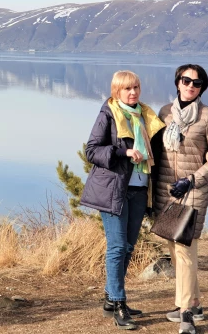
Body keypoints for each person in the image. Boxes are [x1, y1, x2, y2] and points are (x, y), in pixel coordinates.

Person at [80, 70, 166, 331]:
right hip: (113, 190)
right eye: (127, 89)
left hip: (140, 189)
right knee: (117, 247)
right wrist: (124, 151)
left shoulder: (146, 115)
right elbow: (92, 150)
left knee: (128, 247)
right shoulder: (109, 113)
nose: (133, 92)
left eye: (136, 87)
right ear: (116, 91)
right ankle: (118, 302)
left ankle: (111, 298)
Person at [154, 64, 208, 334]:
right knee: (176, 250)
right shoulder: (164, 113)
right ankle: (194, 302)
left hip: (194, 190)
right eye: (186, 80)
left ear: (202, 88)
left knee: (184, 250)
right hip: (167, 190)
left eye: (197, 83)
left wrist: (192, 179)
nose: (190, 85)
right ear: (177, 82)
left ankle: (185, 313)